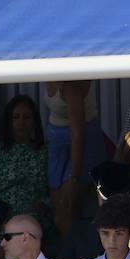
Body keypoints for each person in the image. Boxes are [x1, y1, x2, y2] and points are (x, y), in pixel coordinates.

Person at [45, 80, 108, 237]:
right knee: (58, 210)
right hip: (57, 146)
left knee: (68, 210)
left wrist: (73, 178)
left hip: (80, 145)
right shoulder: (45, 70)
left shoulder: (71, 83)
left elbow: (79, 133)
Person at [0, 94, 46, 222]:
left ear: (35, 121)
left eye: (27, 117)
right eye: (16, 117)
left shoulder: (44, 152)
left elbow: (56, 190)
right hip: (3, 222)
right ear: (9, 121)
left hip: (39, 221)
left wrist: (46, 205)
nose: (21, 122)